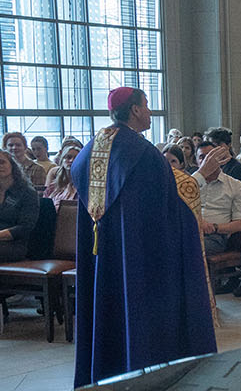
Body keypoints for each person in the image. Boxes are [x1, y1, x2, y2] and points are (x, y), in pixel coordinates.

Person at [70, 88, 216, 385]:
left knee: (108, 311)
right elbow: (168, 208)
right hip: (140, 256)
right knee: (140, 318)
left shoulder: (91, 148)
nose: (150, 111)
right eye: (147, 105)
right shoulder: (143, 153)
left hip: (103, 255)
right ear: (135, 110)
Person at [192, 141, 241, 255]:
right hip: (190, 231)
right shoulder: (192, 183)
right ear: (196, 162)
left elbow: (239, 224)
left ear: (219, 159)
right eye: (202, 157)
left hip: (215, 236)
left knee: (190, 247)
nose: (206, 161)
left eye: (210, 156)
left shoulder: (235, 185)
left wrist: (214, 227)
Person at [0, 148, 40, 262]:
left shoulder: (27, 192)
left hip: (14, 245)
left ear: (12, 165)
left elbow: (24, 228)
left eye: (1, 162)